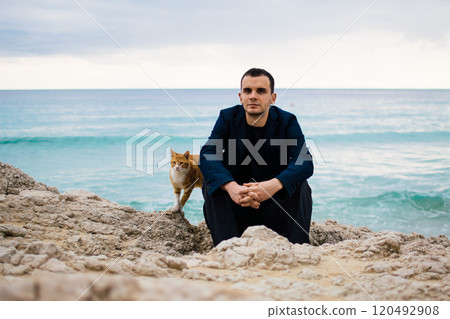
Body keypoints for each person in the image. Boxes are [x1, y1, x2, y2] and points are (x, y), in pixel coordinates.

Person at [199, 68, 313, 246]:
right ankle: (227, 247)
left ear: (272, 98)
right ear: (240, 96)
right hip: (235, 208)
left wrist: (272, 186)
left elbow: (305, 162)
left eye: (261, 91)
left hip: (274, 210)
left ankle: (298, 247)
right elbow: (207, 155)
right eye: (247, 91)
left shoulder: (287, 121)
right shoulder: (227, 117)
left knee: (300, 184)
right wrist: (232, 188)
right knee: (212, 183)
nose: (253, 96)